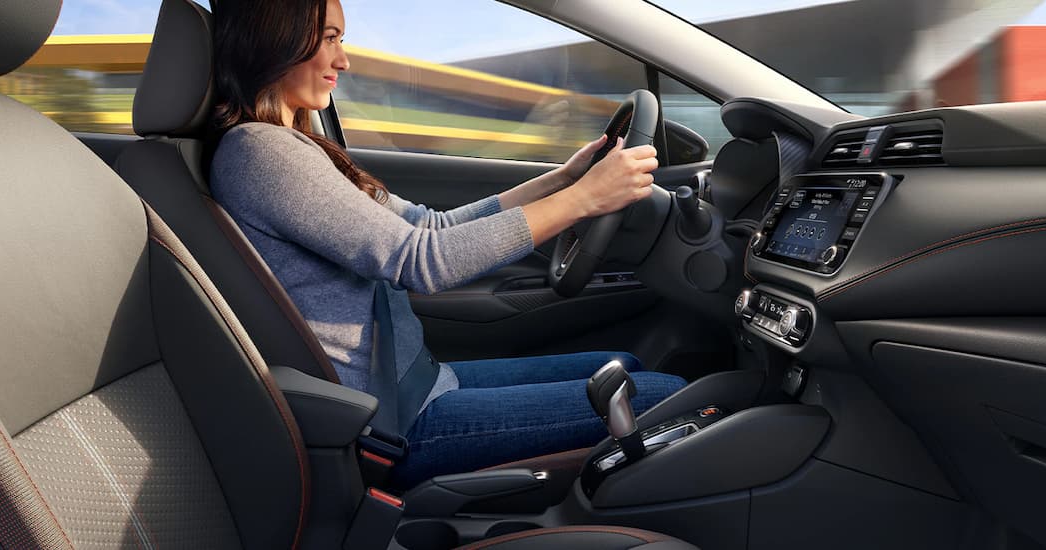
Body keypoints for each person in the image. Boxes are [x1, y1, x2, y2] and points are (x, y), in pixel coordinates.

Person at [208, 0, 687, 486]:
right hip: (391, 422)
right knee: (666, 397)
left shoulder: (294, 147)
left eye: (341, 41)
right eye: (329, 38)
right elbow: (423, 263)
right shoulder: (262, 152)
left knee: (624, 367)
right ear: (275, 41)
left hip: (409, 385)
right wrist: (584, 199)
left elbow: (429, 227)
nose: (343, 60)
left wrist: (562, 180)